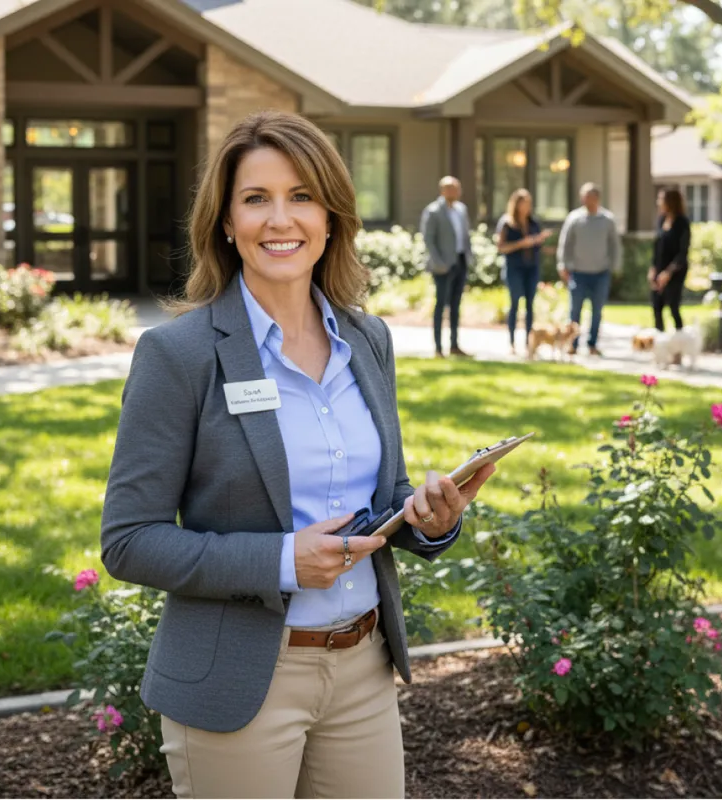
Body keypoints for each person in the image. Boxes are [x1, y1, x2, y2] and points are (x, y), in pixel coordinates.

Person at [100, 110, 495, 800]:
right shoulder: (178, 356)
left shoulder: (368, 340)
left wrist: (429, 520)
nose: (280, 220)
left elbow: (379, 500)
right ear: (226, 222)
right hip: (241, 681)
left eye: (301, 196)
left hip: (363, 670)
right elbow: (129, 541)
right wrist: (283, 561)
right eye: (256, 199)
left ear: (332, 215)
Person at [557, 183, 621, 356]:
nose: (587, 200)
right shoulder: (574, 218)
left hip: (601, 272)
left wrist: (615, 266)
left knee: (597, 311)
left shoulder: (607, 220)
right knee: (574, 310)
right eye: (584, 197)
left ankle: (592, 344)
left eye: (590, 197)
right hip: (578, 272)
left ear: (597, 198)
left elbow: (614, 245)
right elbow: (565, 244)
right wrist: (562, 265)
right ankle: (573, 343)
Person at [420, 176, 475, 358]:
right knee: (440, 305)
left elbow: (465, 236)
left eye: (457, 188)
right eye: (451, 188)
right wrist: (439, 263)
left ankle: (454, 345)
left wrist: (469, 256)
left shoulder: (461, 210)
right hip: (442, 266)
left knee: (456, 305)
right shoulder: (434, 211)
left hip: (460, 262)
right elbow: (429, 239)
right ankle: (438, 347)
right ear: (442, 190)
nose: (455, 192)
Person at [496, 189, 552, 355]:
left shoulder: (533, 223)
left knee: (530, 305)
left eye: (529, 203)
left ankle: (530, 342)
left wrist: (540, 241)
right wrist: (521, 243)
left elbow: (538, 247)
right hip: (514, 268)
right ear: (516, 204)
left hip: (531, 267)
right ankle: (512, 342)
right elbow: (501, 247)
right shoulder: (507, 223)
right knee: (514, 303)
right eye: (523, 203)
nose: (527, 207)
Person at [649, 187, 691, 332]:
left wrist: (668, 273)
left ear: (670, 201)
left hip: (676, 271)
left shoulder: (682, 223)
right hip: (659, 268)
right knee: (656, 306)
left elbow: (682, 252)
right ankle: (660, 344)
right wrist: (653, 269)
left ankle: (679, 344)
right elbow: (657, 247)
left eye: (661, 199)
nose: (658, 202)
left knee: (673, 306)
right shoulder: (661, 220)